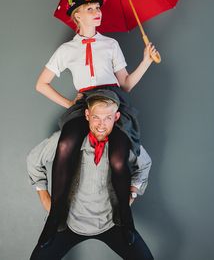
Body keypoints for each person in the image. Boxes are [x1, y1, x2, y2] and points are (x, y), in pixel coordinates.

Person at [35, 0, 159, 247]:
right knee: (66, 144)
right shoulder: (67, 50)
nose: (97, 12)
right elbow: (41, 84)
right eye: (89, 9)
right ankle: (55, 217)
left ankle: (125, 219)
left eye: (98, 8)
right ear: (76, 16)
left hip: (113, 100)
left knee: (118, 159)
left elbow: (125, 84)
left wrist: (146, 60)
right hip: (85, 103)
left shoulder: (110, 44)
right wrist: (70, 102)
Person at [28, 91, 154, 260]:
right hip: (69, 223)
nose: (101, 124)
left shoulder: (123, 145)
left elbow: (145, 164)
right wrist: (44, 196)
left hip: (110, 223)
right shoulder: (65, 141)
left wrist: (132, 193)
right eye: (96, 117)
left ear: (116, 117)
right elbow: (33, 160)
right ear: (87, 115)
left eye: (107, 118)